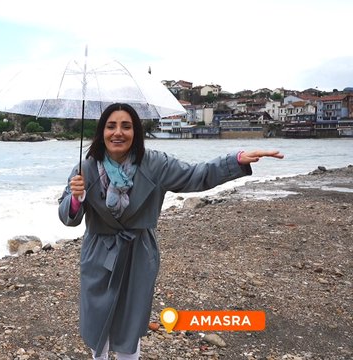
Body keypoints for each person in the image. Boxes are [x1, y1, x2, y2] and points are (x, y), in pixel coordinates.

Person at [58, 103, 284, 359]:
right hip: (98, 254)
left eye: (126, 126)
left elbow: (196, 175)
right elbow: (68, 218)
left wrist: (235, 160)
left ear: (136, 132)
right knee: (97, 321)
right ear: (102, 133)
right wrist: (77, 199)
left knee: (131, 324)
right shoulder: (85, 168)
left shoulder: (155, 164)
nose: (118, 132)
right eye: (111, 126)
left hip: (138, 253)